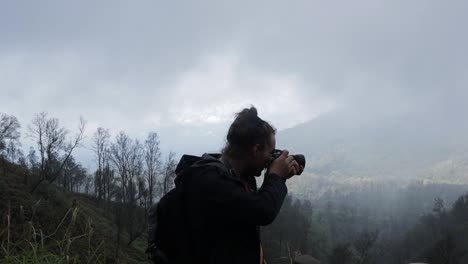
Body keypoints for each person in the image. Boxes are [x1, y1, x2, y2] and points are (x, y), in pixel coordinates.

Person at [176, 106, 303, 264]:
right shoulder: (210, 181)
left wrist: (279, 177)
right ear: (256, 149)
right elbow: (263, 211)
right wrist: (277, 176)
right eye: (270, 153)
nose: (270, 160)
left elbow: (253, 207)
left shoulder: (238, 178)